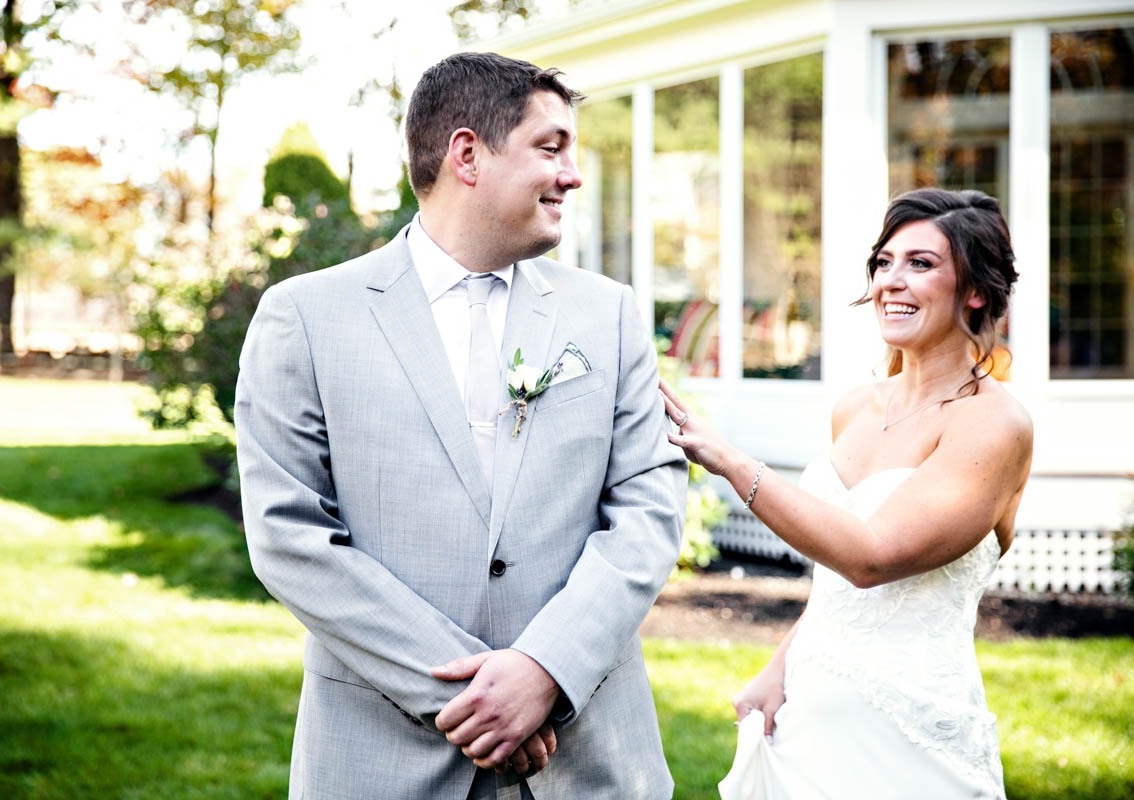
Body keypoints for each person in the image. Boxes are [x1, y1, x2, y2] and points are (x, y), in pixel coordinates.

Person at [235, 51, 686, 800]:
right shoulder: (307, 318)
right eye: (551, 148)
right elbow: (289, 536)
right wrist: (474, 698)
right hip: (381, 757)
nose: (572, 175)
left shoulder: (608, 315)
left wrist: (546, 668)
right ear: (468, 154)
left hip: (586, 761)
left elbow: (650, 506)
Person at [662, 188, 1033, 799]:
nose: (891, 280)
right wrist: (777, 669)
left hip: (911, 738)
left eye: (920, 263)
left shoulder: (993, 425)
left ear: (975, 290)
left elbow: (870, 558)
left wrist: (733, 463)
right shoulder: (854, 408)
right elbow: (835, 588)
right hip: (810, 722)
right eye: (883, 262)